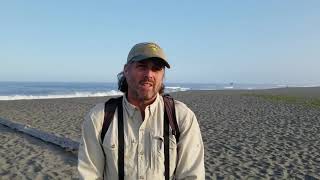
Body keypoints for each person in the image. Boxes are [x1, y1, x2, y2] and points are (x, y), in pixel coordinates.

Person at [78, 42, 205, 179]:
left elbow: (192, 175)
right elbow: (89, 174)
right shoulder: (99, 117)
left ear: (162, 75)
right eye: (142, 67)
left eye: (156, 69)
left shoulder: (181, 116)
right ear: (126, 70)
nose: (149, 74)